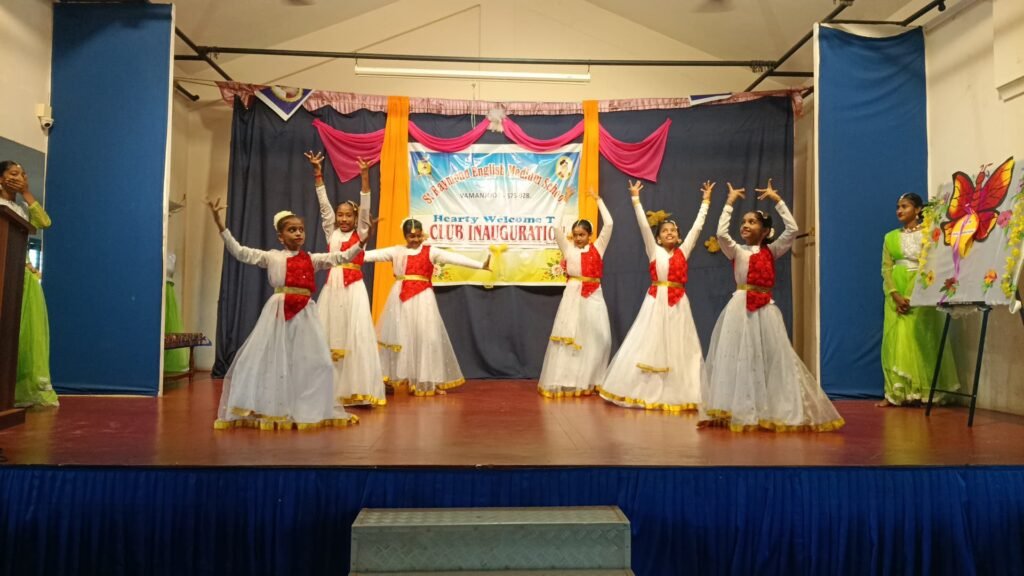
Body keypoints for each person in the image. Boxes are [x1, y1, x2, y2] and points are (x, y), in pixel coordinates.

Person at [699, 179, 843, 432]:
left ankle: (769, 406)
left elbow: (792, 229)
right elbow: (721, 234)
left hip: (765, 309)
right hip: (740, 309)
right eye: (744, 222)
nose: (746, 225)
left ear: (765, 231)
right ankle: (738, 407)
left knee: (771, 357)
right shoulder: (737, 251)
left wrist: (777, 200)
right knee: (740, 357)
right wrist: (729, 203)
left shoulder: (773, 250)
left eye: (752, 222)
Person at [207, 198, 362, 430]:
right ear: (281, 237)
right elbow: (240, 252)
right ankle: (274, 406)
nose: (298, 233)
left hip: (305, 313)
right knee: (274, 359)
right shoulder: (273, 257)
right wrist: (221, 226)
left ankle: (308, 406)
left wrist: (362, 242)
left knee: (319, 361)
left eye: (301, 229)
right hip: (279, 310)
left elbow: (340, 257)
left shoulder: (312, 259)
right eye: (292, 230)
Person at [598, 179, 711, 412]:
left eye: (673, 231)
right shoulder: (654, 250)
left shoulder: (683, 251)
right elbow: (643, 226)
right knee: (650, 343)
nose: (669, 233)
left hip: (678, 304)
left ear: (679, 237)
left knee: (680, 345)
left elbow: (697, 228)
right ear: (658, 238)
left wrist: (706, 202)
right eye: (665, 231)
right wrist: (636, 200)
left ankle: (679, 391)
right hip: (655, 301)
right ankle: (643, 389)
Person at [365, 219, 490, 396]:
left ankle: (428, 380)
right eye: (411, 237)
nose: (415, 240)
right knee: (402, 337)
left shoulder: (430, 251)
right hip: (401, 298)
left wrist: (480, 265)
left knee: (427, 337)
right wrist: (347, 252)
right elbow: (369, 255)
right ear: (405, 236)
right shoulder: (396, 251)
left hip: (423, 299)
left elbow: (454, 258)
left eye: (418, 236)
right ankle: (402, 378)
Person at [306, 151, 386, 407]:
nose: (342, 218)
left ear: (355, 218)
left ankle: (357, 388)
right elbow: (324, 207)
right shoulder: (331, 233)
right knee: (330, 336)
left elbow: (366, 205)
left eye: (347, 215)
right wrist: (318, 174)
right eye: (340, 215)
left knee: (355, 335)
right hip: (333, 287)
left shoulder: (361, 232)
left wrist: (365, 176)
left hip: (353, 289)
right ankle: (330, 390)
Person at [879, 192, 958, 406]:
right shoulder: (890, 237)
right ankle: (896, 393)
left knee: (922, 338)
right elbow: (886, 268)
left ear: (918, 209)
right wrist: (895, 294)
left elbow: (929, 265)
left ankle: (925, 392)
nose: (899, 211)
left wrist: (912, 295)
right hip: (895, 293)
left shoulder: (929, 235)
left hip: (921, 289)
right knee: (896, 340)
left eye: (904, 206)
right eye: (898, 207)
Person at [537, 186, 613, 398]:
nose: (578, 238)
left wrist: (599, 201)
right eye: (576, 235)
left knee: (599, 337)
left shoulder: (598, 248)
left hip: (594, 294)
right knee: (573, 337)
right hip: (573, 295)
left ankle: (592, 378)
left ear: (590, 235)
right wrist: (563, 201)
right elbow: (555, 227)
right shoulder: (568, 249)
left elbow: (609, 224)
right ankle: (569, 380)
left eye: (582, 235)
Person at [0, 160, 58, 408]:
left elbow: (44, 222)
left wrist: (26, 193)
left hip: (22, 276)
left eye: (23, 174)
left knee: (24, 336)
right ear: (1, 179)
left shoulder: (21, 209)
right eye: (13, 174)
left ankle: (18, 390)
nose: (20, 177)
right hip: (3, 274)